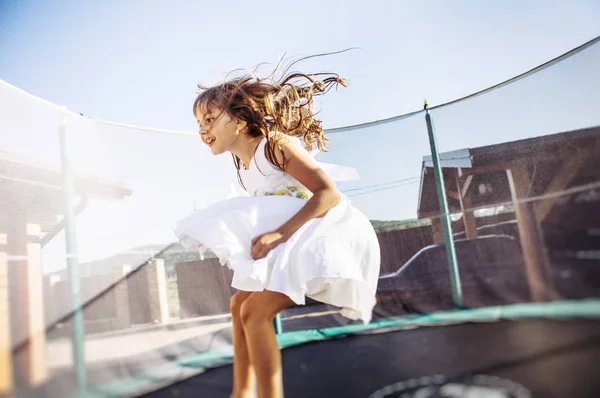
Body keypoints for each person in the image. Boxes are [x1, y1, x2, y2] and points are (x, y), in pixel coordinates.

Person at [174, 62, 381, 398]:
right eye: (199, 124)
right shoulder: (244, 168)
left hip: (329, 232)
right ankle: (241, 393)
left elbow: (328, 193)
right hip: (299, 235)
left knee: (254, 313)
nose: (202, 130)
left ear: (239, 120)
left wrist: (278, 235)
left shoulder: (275, 146)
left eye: (209, 120)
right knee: (239, 303)